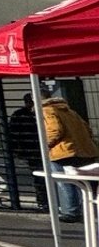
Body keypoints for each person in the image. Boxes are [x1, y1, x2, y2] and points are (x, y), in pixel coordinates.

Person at [40, 87, 98, 223]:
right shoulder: (69, 111)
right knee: (82, 183)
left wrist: (45, 145)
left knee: (64, 181)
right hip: (84, 149)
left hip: (63, 151)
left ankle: (71, 212)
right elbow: (87, 128)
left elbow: (55, 130)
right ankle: (87, 209)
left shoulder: (47, 110)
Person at [7, 94, 46, 209]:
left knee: (39, 176)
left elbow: (13, 133)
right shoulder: (41, 113)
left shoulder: (19, 114)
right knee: (40, 176)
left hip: (32, 149)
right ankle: (44, 201)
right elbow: (14, 133)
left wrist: (16, 149)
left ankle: (43, 201)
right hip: (35, 149)